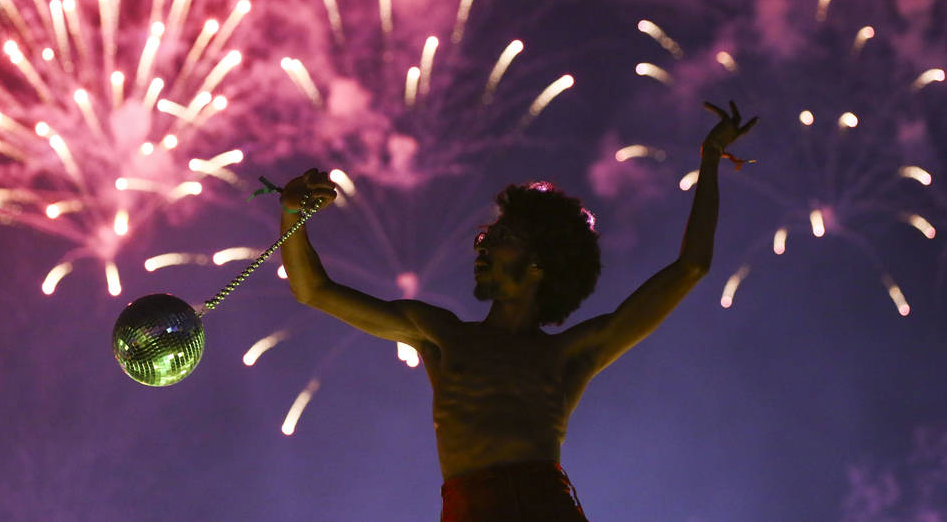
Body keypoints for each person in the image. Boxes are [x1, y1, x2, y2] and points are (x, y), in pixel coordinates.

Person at [278, 101, 756, 521]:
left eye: (504, 238)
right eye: (488, 236)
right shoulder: (439, 333)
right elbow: (313, 291)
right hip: (466, 508)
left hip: (544, 506)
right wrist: (292, 215)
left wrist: (709, 161)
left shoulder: (570, 353)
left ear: (539, 265)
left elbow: (691, 267)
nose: (483, 245)